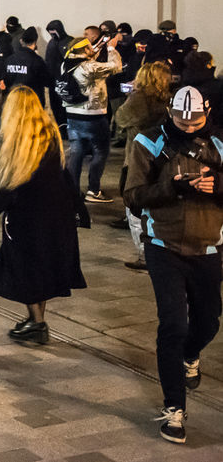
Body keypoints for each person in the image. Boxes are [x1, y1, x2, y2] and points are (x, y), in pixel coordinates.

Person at [124, 85, 223, 444]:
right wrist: (174, 186)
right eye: (180, 119)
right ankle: (174, 408)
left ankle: (191, 355)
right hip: (163, 245)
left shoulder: (219, 145)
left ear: (207, 112)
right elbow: (133, 196)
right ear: (170, 111)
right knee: (173, 324)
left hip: (209, 249)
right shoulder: (147, 142)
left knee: (209, 321)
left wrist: (217, 186)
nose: (187, 125)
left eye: (195, 119)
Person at [0, 85, 88, 345]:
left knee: (24, 269)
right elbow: (65, 175)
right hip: (56, 213)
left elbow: (9, 185)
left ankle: (37, 324)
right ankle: (36, 321)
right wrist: (79, 210)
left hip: (27, 218)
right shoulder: (49, 131)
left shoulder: (16, 138)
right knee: (43, 269)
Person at [113, 60, 173, 271]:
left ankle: (145, 255)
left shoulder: (139, 98)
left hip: (137, 156)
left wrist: (130, 95)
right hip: (160, 158)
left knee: (134, 207)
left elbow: (120, 118)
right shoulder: (167, 98)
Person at [61, 34, 123, 203]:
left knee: (77, 152)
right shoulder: (89, 68)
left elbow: (88, 56)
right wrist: (111, 48)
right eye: (89, 46)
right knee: (101, 151)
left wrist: (99, 45)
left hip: (72, 116)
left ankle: (72, 190)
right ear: (84, 50)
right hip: (93, 117)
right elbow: (116, 67)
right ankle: (93, 190)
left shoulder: (66, 63)